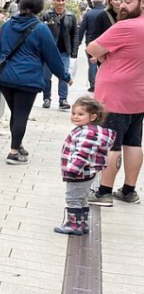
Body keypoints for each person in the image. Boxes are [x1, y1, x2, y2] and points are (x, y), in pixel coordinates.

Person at [0, 0, 70, 165]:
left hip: (6, 77)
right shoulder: (41, 29)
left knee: (16, 112)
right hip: (27, 79)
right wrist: (65, 76)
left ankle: (18, 144)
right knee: (21, 114)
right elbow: (52, 56)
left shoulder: (6, 26)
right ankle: (13, 153)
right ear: (40, 8)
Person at [86, 0, 144, 206]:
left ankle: (104, 192)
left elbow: (93, 48)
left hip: (115, 93)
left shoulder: (127, 26)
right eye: (120, 1)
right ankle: (129, 190)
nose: (122, 5)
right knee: (133, 143)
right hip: (138, 94)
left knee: (112, 144)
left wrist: (103, 55)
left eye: (128, 2)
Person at [55, 96, 115, 235]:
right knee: (82, 198)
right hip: (87, 172)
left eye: (80, 114)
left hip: (79, 173)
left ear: (93, 116)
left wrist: (72, 170)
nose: (75, 117)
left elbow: (82, 153)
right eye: (73, 113)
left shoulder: (86, 133)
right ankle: (83, 223)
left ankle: (74, 225)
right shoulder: (89, 131)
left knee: (73, 198)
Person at [40, 0, 79, 109]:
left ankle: (63, 100)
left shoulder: (71, 16)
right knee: (46, 77)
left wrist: (74, 51)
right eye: (58, 0)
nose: (61, 3)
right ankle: (46, 98)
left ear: (66, 1)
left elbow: (75, 34)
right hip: (48, 51)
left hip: (63, 51)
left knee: (63, 75)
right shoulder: (47, 15)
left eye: (63, 0)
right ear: (53, 1)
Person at [77, 0, 113, 91]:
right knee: (104, 63)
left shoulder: (89, 14)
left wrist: (78, 42)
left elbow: (82, 29)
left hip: (91, 40)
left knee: (92, 63)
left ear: (93, 3)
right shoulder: (107, 14)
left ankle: (93, 84)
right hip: (105, 41)